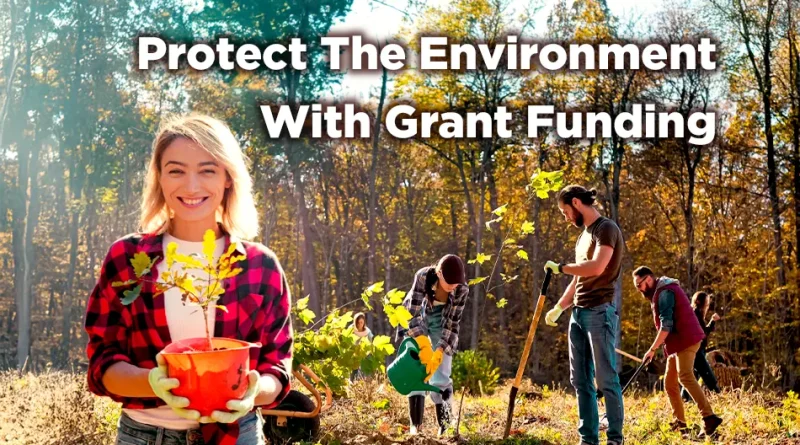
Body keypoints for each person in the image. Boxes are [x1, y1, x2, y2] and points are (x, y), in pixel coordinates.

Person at [84, 114, 293, 445]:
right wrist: (152, 381)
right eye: (176, 170)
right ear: (160, 179)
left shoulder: (259, 266)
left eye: (207, 170)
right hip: (144, 435)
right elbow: (102, 363)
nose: (192, 186)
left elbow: (277, 366)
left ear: (228, 177)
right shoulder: (127, 260)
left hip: (236, 435)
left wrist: (253, 392)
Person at [542, 185, 625, 445]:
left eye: (565, 211)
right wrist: (560, 307)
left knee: (605, 378)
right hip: (578, 314)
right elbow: (579, 278)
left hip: (600, 311)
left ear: (576, 203)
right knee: (580, 379)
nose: (565, 217)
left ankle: (615, 438)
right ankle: (588, 439)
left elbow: (597, 267)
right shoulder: (583, 236)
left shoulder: (606, 229)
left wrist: (561, 267)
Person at [632, 266, 723, 437]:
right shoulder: (659, 292)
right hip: (677, 343)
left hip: (686, 339)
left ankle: (709, 417)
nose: (639, 289)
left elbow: (666, 326)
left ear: (649, 279)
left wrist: (652, 350)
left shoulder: (665, 293)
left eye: (640, 285)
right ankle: (680, 423)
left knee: (685, 376)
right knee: (669, 382)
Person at [401, 254, 468, 437]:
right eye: (449, 282)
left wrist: (439, 350)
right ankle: (416, 426)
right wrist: (422, 343)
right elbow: (411, 314)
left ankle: (445, 425)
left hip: (442, 322)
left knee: (442, 374)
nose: (453, 286)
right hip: (419, 318)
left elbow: (452, 324)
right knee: (417, 369)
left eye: (457, 283)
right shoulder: (422, 276)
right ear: (439, 273)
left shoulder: (462, 289)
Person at [681, 292, 722, 400]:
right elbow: (703, 333)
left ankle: (684, 399)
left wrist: (712, 321)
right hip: (696, 350)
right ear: (699, 301)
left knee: (693, 376)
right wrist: (712, 321)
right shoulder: (695, 314)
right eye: (706, 302)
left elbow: (703, 332)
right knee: (707, 374)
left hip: (698, 350)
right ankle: (719, 397)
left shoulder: (697, 314)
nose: (708, 305)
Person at [350, 312, 374, 381]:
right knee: (353, 372)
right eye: (358, 322)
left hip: (365, 354)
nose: (360, 324)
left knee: (366, 370)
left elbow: (371, 343)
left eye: (361, 322)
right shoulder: (351, 330)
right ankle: (352, 384)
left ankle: (367, 383)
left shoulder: (368, 331)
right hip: (354, 353)